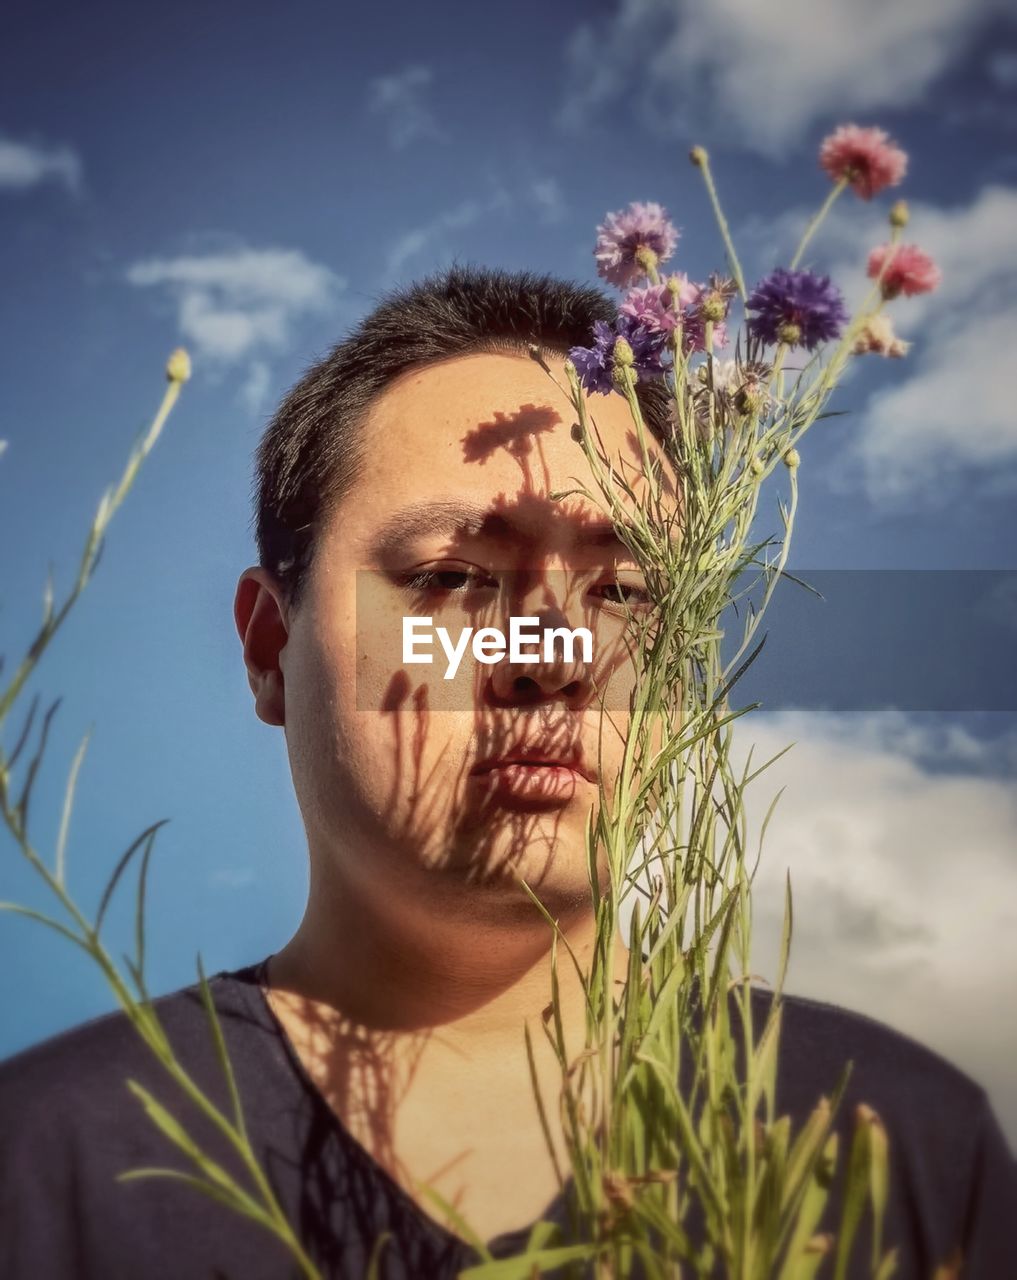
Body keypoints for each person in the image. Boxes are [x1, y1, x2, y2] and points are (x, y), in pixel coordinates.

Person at [1, 266, 1014, 1279]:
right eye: (450, 577)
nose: (555, 654)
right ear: (271, 647)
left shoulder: (895, 1141)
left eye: (625, 589)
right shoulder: (49, 1166)